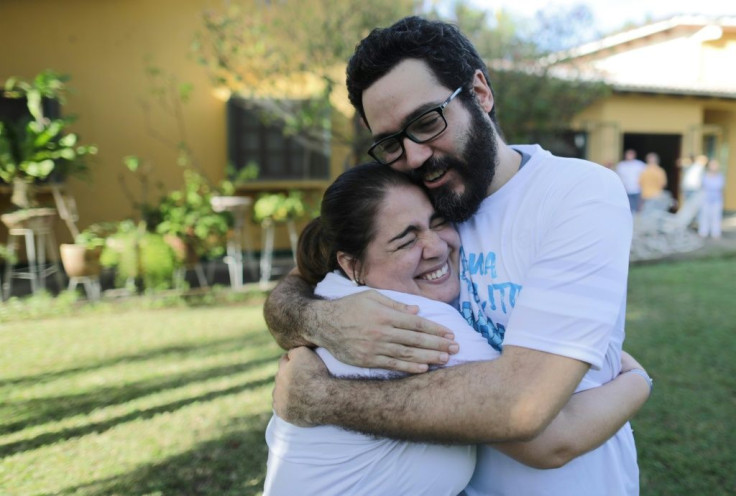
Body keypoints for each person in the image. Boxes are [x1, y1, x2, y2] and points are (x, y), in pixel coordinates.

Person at [265, 16, 645, 495]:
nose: (416, 155)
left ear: (480, 93)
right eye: (391, 143)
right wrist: (321, 322)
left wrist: (322, 397)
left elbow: (524, 410)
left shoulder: (575, 193)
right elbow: (302, 276)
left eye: (427, 122)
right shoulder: (420, 198)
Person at [264, 162, 651, 495]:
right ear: (351, 264)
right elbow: (546, 440)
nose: (434, 246)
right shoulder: (413, 320)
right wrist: (637, 378)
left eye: (438, 222)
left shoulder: (332, 291)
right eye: (405, 240)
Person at [698, 159, 725, 238]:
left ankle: (715, 233)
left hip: (717, 199)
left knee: (716, 216)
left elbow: (721, 188)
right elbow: (702, 187)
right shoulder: (704, 175)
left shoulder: (720, 177)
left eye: (715, 165)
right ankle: (703, 232)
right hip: (706, 199)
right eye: (712, 165)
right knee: (704, 216)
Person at [616, 149, 646, 213]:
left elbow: (646, 176)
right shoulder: (621, 165)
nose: (630, 156)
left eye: (631, 154)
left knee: (638, 207)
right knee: (628, 207)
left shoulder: (640, 165)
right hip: (625, 190)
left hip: (637, 189)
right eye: (628, 154)